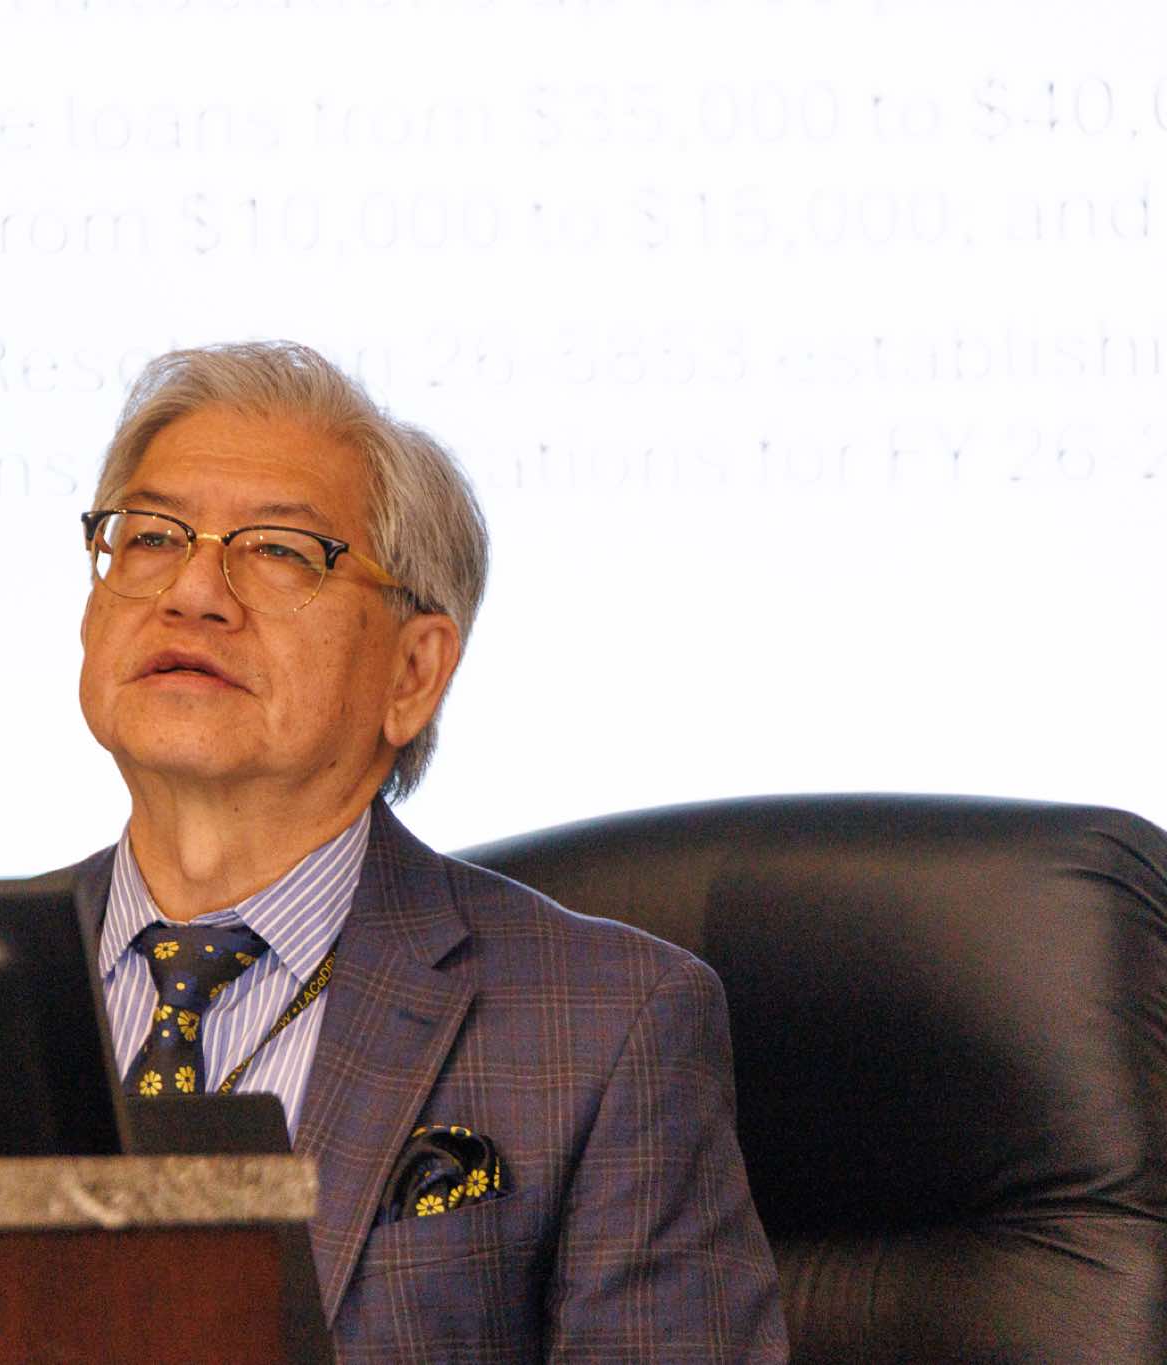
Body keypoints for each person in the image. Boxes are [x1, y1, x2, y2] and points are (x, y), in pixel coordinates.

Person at [71, 340, 786, 1362]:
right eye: (149, 536)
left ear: (412, 672)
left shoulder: (608, 1027)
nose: (192, 592)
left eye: (278, 551)